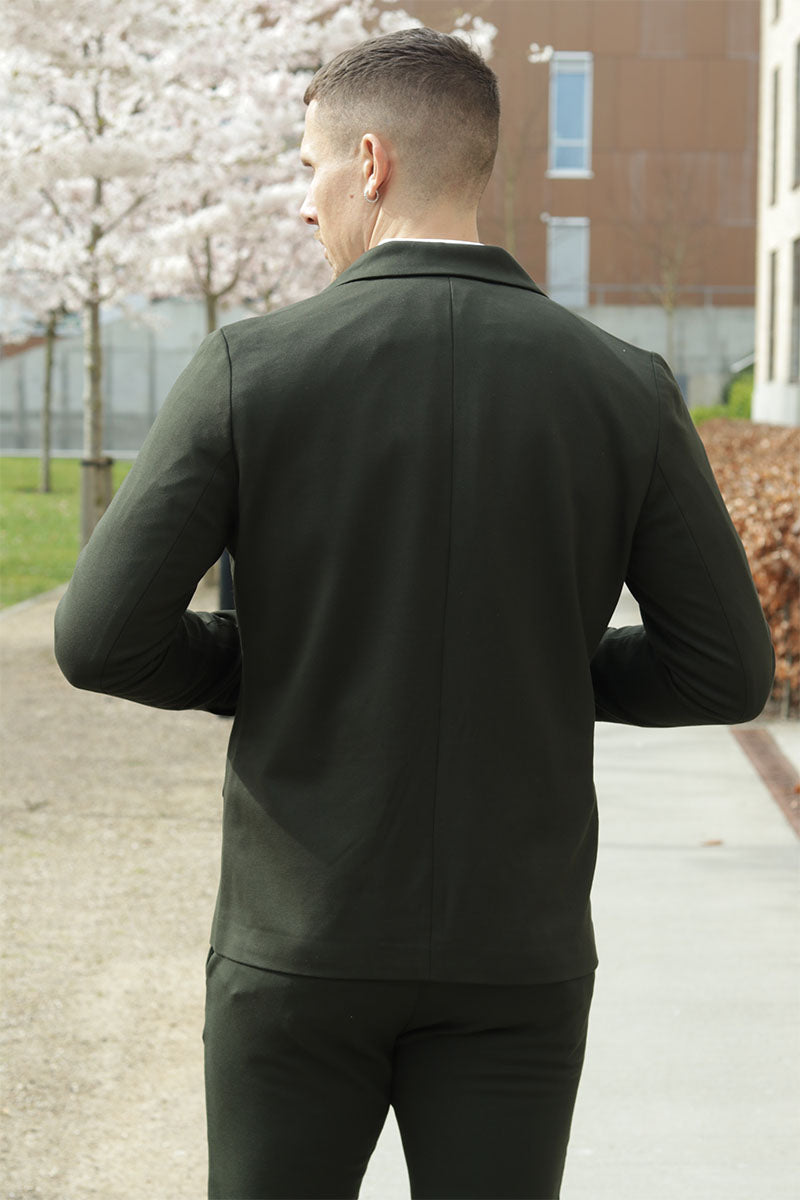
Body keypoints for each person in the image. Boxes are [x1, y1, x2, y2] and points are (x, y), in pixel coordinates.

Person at [54, 26, 774, 1200]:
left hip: (300, 937)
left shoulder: (250, 367)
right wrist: (539, 667)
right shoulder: (625, 386)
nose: (303, 203)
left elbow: (98, 639)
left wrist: (276, 666)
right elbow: (722, 672)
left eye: (308, 169)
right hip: (515, 947)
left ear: (371, 163)